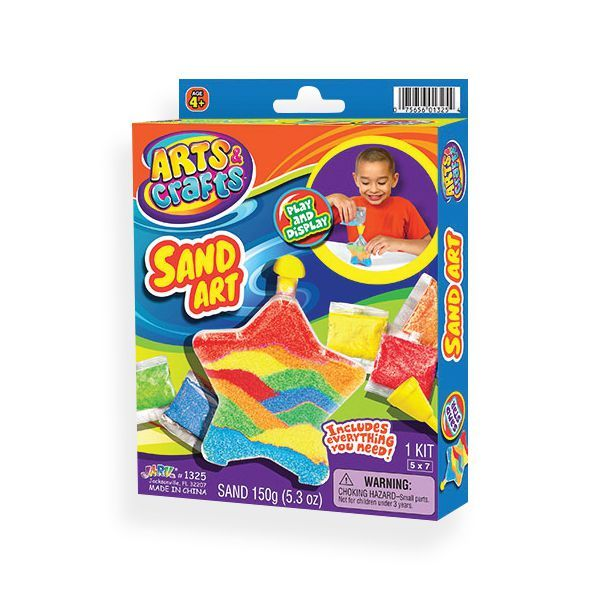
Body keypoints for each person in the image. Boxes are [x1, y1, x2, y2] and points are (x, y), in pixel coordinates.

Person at [327, 147, 431, 256]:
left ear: (394, 180)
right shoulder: (351, 205)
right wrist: (331, 199)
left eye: (381, 182)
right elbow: (314, 222)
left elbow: (429, 246)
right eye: (365, 182)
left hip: (395, 265)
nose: (374, 190)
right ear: (356, 180)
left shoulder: (404, 206)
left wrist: (398, 243)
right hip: (357, 265)